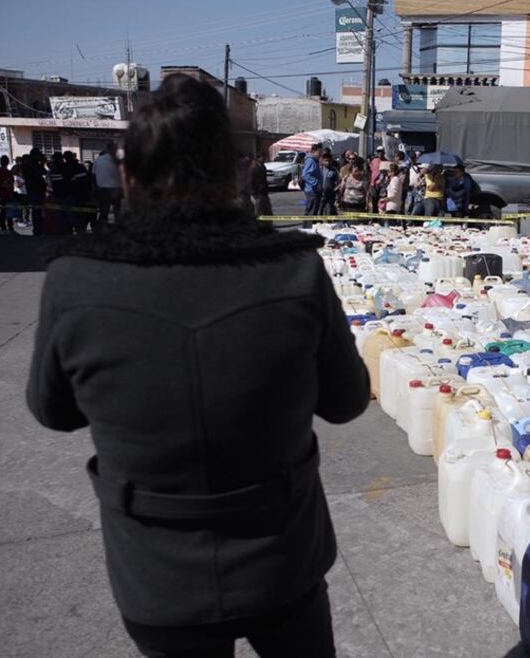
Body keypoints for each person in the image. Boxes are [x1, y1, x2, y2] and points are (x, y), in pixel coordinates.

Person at [26, 73, 369, 658]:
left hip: (156, 572)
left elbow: (53, 412)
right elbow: (347, 402)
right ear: (232, 175)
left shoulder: (75, 280)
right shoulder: (293, 271)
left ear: (128, 176)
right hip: (281, 557)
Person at [93, 143, 124, 228]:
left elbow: (94, 175)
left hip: (102, 190)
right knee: (117, 211)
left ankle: (102, 230)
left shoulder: (97, 160)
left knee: (104, 212)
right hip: (115, 189)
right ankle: (118, 229)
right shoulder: (117, 160)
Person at [25, 148, 48, 235]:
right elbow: (38, 172)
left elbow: (43, 171)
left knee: (39, 211)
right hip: (34, 190)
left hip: (38, 190)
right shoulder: (28, 164)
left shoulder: (34, 164)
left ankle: (40, 229)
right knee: (36, 211)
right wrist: (41, 163)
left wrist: (41, 163)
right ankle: (37, 230)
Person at [0, 155, 18, 233]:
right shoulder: (7, 172)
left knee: (3, 210)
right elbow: (7, 183)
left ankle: (2, 225)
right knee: (8, 210)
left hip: (0, 193)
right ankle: (9, 226)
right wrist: (10, 194)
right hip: (6, 193)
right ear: (7, 162)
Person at [302, 144, 322, 216]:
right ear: (313, 151)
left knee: (313, 211)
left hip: (314, 190)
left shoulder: (315, 161)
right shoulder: (310, 161)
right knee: (312, 211)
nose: (320, 155)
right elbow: (305, 175)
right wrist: (316, 183)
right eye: (319, 152)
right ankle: (308, 226)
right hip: (312, 190)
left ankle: (309, 226)